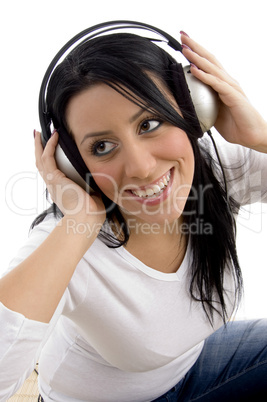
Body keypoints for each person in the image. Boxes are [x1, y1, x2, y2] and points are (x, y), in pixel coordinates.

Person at [0, 24, 267, 402]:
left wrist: (261, 137)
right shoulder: (66, 237)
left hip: (196, 367)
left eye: (150, 123)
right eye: (103, 146)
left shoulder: (218, 167)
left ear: (193, 107)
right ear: (74, 164)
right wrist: (80, 224)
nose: (141, 167)